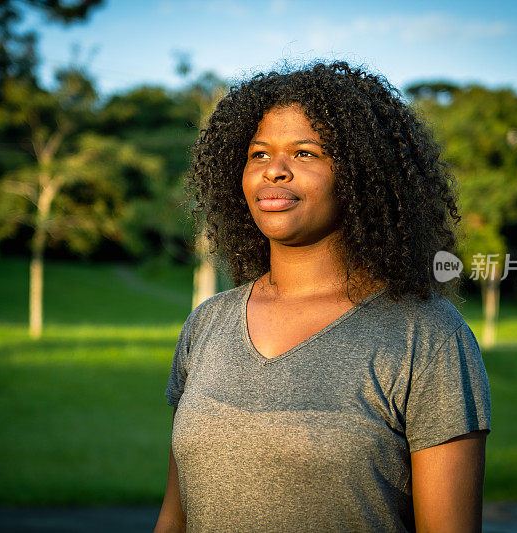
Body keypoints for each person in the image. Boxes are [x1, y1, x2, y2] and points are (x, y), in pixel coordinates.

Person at [154, 61, 491, 533]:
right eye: (258, 154)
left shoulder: (427, 335)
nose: (275, 171)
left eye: (306, 153)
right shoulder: (208, 324)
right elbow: (174, 518)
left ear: (360, 175)